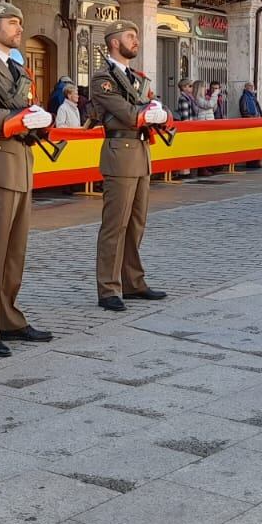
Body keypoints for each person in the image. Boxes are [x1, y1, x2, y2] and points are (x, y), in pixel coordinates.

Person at [0, 0, 54, 357]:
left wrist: (39, 123)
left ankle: (9, 318)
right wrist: (21, 120)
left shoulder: (19, 68)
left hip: (22, 160)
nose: (19, 28)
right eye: (12, 23)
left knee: (15, 250)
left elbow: (25, 108)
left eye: (20, 22)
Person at [91, 20, 168, 312]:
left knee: (136, 224)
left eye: (136, 36)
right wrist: (151, 112)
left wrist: (158, 112)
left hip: (139, 152)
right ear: (114, 42)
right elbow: (126, 113)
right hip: (120, 152)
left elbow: (153, 105)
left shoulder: (135, 77)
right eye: (130, 37)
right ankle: (108, 288)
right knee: (115, 225)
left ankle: (133, 281)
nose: (135, 41)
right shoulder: (102, 78)